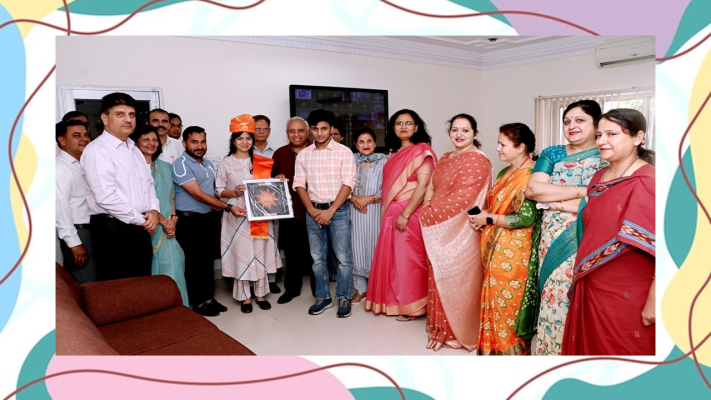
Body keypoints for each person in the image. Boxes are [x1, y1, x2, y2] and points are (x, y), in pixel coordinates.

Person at [562, 109, 655, 355]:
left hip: (632, 289)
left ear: (638, 138)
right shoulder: (599, 176)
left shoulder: (649, 179)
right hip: (593, 282)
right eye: (599, 135)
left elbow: (667, 245)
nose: (602, 141)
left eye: (612, 134)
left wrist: (656, 298)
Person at [524, 100, 605, 355]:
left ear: (596, 124)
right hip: (552, 238)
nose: (571, 126)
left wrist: (557, 202)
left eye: (580, 120)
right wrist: (583, 191)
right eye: (567, 121)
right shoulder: (553, 153)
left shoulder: (606, 153)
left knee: (588, 299)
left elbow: (603, 200)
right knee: (554, 294)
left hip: (592, 234)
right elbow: (533, 189)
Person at [420, 113, 491, 352]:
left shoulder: (478, 160)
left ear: (475, 133)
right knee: (438, 272)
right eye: (455, 130)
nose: (459, 135)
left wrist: (430, 214)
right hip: (438, 225)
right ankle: (439, 326)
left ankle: (456, 331)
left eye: (465, 130)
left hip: (461, 230)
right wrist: (427, 205)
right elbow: (432, 185)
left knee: (456, 276)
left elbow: (464, 199)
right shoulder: (446, 157)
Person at [469, 123, 538, 355]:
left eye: (503, 144)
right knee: (493, 299)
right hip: (494, 247)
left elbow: (525, 218)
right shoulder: (504, 173)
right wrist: (484, 216)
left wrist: (488, 219)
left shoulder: (532, 176)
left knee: (509, 304)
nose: (498, 148)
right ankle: (492, 352)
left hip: (515, 252)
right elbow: (498, 209)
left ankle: (511, 355)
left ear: (521, 147)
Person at [364, 109, 437, 321]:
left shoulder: (422, 151)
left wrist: (405, 214)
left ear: (416, 127)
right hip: (392, 214)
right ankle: (394, 302)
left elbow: (423, 185)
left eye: (408, 123)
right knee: (394, 261)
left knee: (409, 260)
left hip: (409, 214)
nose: (403, 127)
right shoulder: (394, 153)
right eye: (398, 123)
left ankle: (415, 306)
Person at [81, 92, 160, 281]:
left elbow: (148, 184)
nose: (128, 119)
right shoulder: (98, 150)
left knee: (142, 283)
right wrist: (142, 220)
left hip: (139, 225)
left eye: (131, 115)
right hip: (113, 229)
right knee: (119, 288)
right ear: (104, 118)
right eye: (120, 114)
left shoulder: (134, 149)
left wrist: (154, 211)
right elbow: (106, 197)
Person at [173, 126, 246, 316]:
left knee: (207, 261)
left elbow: (211, 190)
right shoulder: (181, 164)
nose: (199, 146)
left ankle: (208, 298)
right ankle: (198, 302)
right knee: (194, 262)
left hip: (208, 218)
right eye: (194, 142)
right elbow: (197, 194)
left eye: (202, 142)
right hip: (189, 220)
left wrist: (218, 202)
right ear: (184, 144)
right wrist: (227, 207)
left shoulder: (207, 164)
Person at [293, 109, 357, 318]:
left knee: (343, 258)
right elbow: (299, 184)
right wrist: (312, 210)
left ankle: (344, 296)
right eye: (315, 129)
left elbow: (348, 184)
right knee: (317, 258)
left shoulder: (344, 152)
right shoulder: (304, 154)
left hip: (338, 211)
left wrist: (331, 210)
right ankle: (323, 297)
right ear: (310, 130)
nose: (320, 133)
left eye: (324, 128)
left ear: (331, 129)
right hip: (313, 211)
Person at [216, 114, 283, 313]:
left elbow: (268, 188)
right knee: (243, 254)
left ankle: (260, 294)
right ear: (233, 141)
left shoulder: (262, 162)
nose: (244, 142)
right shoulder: (226, 163)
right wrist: (234, 192)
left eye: (248, 138)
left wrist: (278, 179)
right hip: (237, 215)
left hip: (260, 216)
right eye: (240, 138)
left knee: (260, 252)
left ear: (253, 141)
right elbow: (219, 190)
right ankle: (245, 297)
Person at [129, 125, 189, 307]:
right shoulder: (132, 169)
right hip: (146, 227)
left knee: (175, 265)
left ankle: (179, 310)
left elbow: (171, 195)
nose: (151, 143)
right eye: (146, 139)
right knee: (152, 271)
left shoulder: (166, 167)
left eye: (155, 139)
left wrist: (174, 219)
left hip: (169, 229)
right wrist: (163, 221)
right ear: (135, 143)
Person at [271, 117, 316, 304]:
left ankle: (319, 292)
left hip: (315, 213)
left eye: (300, 130)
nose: (296, 134)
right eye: (292, 131)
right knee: (292, 255)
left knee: (316, 256)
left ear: (308, 132)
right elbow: (269, 181)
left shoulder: (318, 150)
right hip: (289, 213)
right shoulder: (280, 153)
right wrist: (276, 178)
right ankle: (292, 289)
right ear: (287, 133)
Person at [348, 127, 387, 304]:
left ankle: (376, 288)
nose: (365, 145)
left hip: (376, 210)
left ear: (375, 143)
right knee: (355, 247)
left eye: (369, 141)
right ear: (355, 145)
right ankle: (361, 289)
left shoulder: (383, 162)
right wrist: (354, 199)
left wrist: (368, 199)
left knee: (374, 246)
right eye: (361, 141)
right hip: (354, 211)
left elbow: (389, 187)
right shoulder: (349, 161)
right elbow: (342, 184)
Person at [56, 120, 96, 284]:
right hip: (78, 234)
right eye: (76, 135)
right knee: (85, 285)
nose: (84, 139)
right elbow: (60, 207)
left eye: (86, 135)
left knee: (98, 286)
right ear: (62, 140)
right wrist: (74, 244)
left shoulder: (85, 164)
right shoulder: (60, 168)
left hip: (92, 231)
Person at [252, 114, 280, 294]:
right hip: (251, 204)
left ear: (269, 131)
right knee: (253, 242)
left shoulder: (276, 153)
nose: (261, 132)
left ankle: (271, 279)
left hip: (271, 204)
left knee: (272, 241)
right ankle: (254, 279)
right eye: (257, 128)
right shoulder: (244, 150)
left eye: (265, 128)